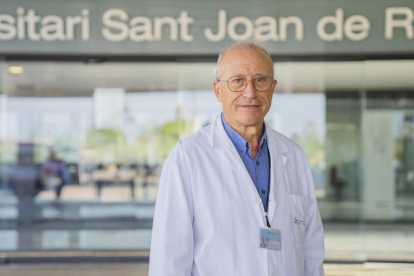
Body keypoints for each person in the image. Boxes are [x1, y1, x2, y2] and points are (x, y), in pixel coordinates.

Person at [149, 42, 325, 276]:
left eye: (260, 80)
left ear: (272, 88)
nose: (250, 92)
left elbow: (311, 250)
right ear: (218, 90)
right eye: (237, 81)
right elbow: (169, 259)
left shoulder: (293, 155)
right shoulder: (187, 157)